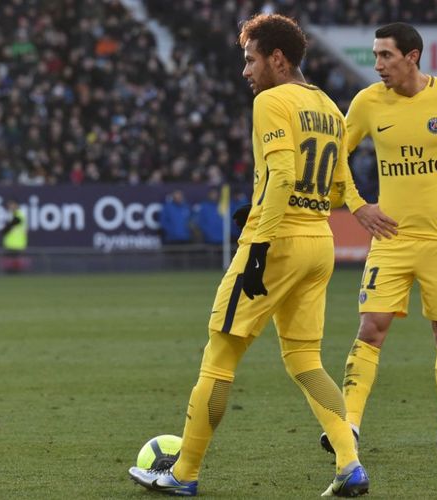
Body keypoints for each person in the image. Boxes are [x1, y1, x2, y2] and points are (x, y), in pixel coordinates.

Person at [128, 13, 395, 497]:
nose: (246, 71)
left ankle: (183, 474)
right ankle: (350, 465)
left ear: (277, 59)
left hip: (277, 246)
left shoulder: (272, 102)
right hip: (319, 244)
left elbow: (285, 173)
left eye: (251, 60)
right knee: (305, 361)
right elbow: (336, 190)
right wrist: (262, 202)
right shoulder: (331, 110)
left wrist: (258, 246)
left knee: (220, 353)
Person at [319, 23, 437, 461]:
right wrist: (357, 205)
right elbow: (337, 154)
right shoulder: (367, 102)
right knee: (371, 327)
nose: (377, 65)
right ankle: (347, 426)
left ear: (412, 56)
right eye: (375, 56)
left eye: (386, 56)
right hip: (391, 238)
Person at [2, 198, 28, 273]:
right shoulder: (10, 215)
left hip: (18, 244)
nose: (10, 206)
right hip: (9, 244)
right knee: (9, 268)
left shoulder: (19, 215)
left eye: (12, 204)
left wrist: (6, 228)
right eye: (9, 205)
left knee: (17, 269)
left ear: (16, 205)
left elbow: (6, 229)